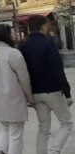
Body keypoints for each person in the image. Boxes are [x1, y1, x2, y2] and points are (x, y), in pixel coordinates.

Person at [20, 15, 73, 154]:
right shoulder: (48, 43)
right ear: (43, 26)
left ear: (29, 28)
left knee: (43, 128)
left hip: (36, 93)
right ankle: (55, 150)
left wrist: (27, 95)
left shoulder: (23, 46)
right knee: (66, 123)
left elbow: (23, 72)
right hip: (53, 90)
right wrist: (67, 93)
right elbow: (58, 69)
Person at [0, 24, 34, 154]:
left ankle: (0, 151)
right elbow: (24, 79)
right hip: (13, 99)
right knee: (15, 134)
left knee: (5, 129)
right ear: (7, 36)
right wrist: (30, 97)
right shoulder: (13, 53)